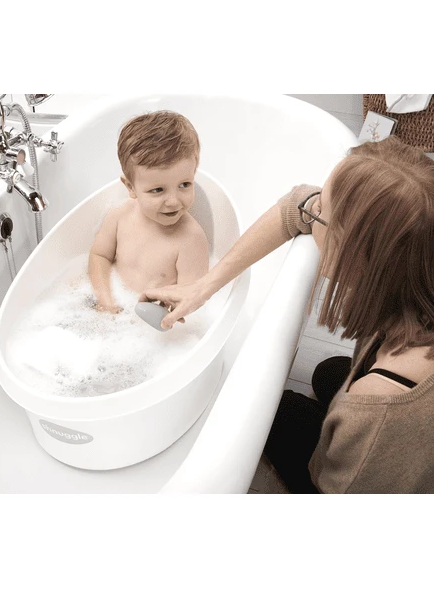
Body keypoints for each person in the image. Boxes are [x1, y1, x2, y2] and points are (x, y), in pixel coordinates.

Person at [141, 136, 434, 494]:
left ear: (351, 253)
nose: (309, 210)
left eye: (319, 213)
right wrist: (204, 286)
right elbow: (295, 205)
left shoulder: (382, 410)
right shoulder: (417, 261)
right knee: (329, 373)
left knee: (273, 414)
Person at [89, 111, 209, 313]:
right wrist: (105, 300)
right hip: (116, 303)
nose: (173, 202)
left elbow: (191, 301)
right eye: (158, 190)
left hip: (153, 320)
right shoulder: (120, 216)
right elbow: (99, 255)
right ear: (131, 187)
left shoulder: (191, 239)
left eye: (185, 184)